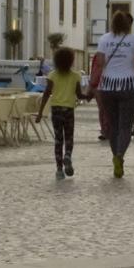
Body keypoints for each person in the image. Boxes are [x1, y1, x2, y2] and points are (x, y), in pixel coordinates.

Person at [90, 11, 134, 178]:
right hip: (129, 86)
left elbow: (99, 64)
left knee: (112, 126)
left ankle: (115, 156)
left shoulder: (104, 39)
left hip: (108, 86)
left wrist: (92, 85)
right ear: (127, 25)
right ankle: (120, 156)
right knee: (125, 126)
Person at [35, 47, 87, 180]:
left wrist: (40, 112)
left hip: (56, 109)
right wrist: (89, 96)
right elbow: (79, 95)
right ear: (71, 60)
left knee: (58, 140)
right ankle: (68, 155)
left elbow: (46, 94)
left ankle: (59, 170)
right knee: (69, 137)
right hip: (69, 110)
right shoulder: (76, 76)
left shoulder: (52, 75)